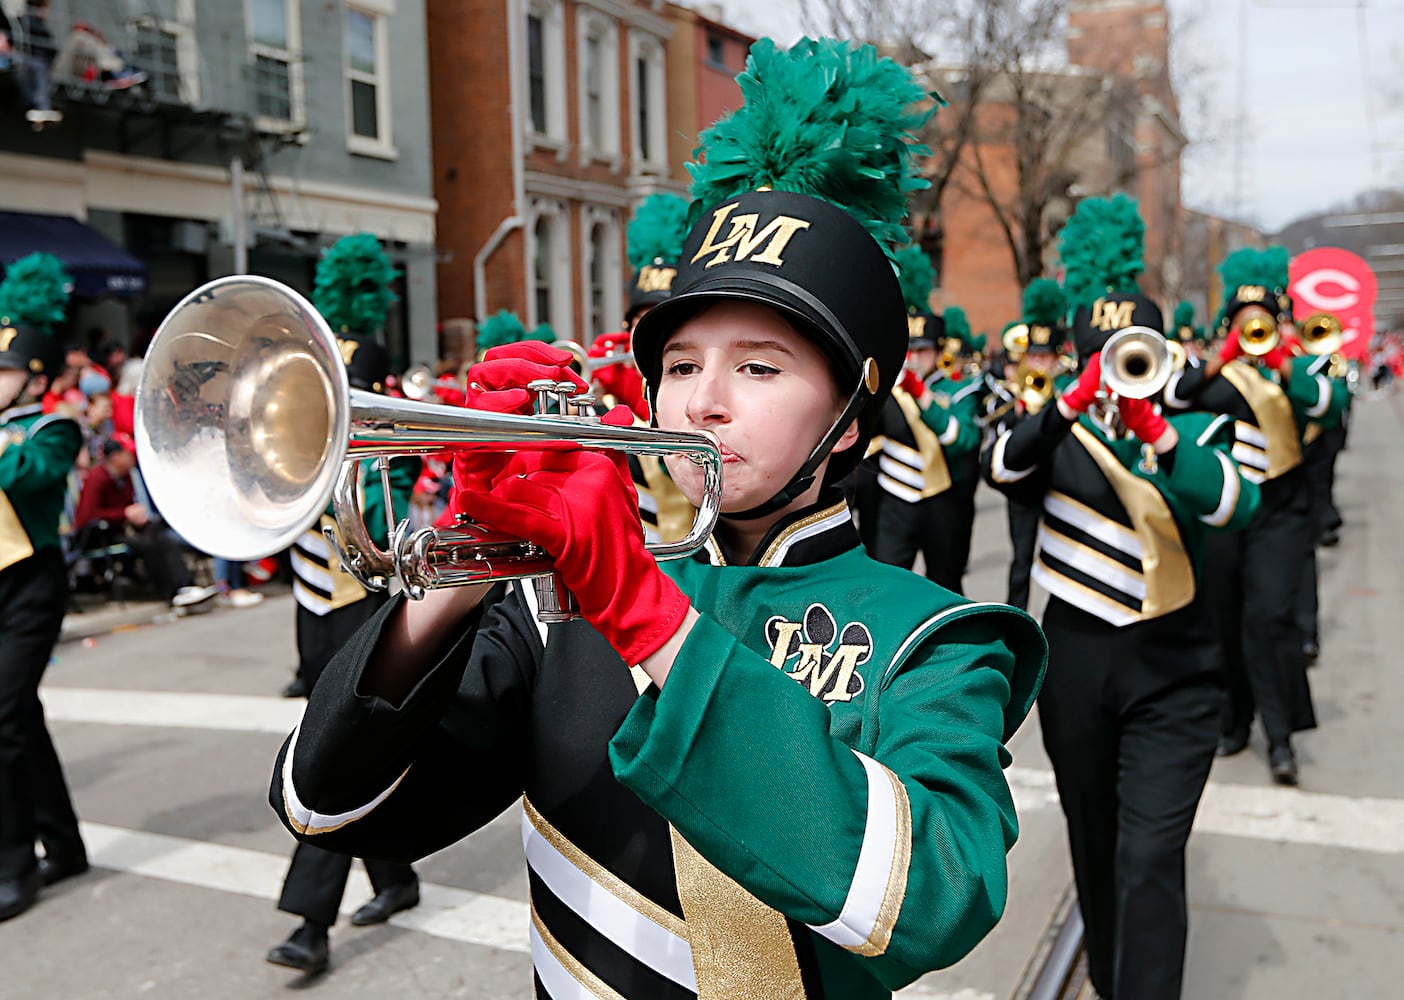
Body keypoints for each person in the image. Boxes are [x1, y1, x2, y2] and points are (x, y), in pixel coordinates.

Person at [268, 37, 1046, 997]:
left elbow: (937, 897)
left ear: (848, 421)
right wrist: (465, 563)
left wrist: (644, 611)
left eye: (759, 367)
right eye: (680, 366)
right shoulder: (555, 610)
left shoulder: (935, 640)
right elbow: (330, 809)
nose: (701, 402)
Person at [984, 195, 1262, 999]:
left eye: (1130, 352)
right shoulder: (1047, 428)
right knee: (1094, 843)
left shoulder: (1199, 428)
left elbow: (1233, 503)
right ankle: (1109, 977)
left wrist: (1157, 430)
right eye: (1101, 356)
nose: (1117, 370)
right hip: (1075, 662)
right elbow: (999, 466)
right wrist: (1070, 403)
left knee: (1148, 856)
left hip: (1178, 667)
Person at [269, 233, 422, 975]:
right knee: (350, 747)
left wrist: (385, 448)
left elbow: (406, 469)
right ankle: (397, 876)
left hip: (367, 586)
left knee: (334, 750)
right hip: (316, 588)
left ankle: (310, 921)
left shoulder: (385, 467)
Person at [1162, 246, 1349, 784]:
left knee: (1268, 620)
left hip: (1282, 513)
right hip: (1225, 514)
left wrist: (1285, 357)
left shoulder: (1298, 371)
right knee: (1224, 617)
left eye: (1262, 323)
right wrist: (1221, 357)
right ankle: (1235, 719)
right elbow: (1172, 396)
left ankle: (1282, 735)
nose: (1253, 332)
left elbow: (1327, 405)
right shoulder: (1214, 374)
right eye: (1244, 324)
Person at [0, 288, 87, 920]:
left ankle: (13, 866)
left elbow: (28, 473)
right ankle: (65, 843)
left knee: (1, 720)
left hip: (32, 582)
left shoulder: (53, 427)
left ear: (33, 378)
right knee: (19, 717)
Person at [855, 245, 979, 591]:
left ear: (940, 352)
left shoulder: (961, 390)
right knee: (887, 585)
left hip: (942, 500)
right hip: (894, 498)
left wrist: (919, 392)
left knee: (948, 586)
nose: (915, 358)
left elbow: (961, 439)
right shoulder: (885, 388)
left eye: (923, 350)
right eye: (910, 349)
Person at [72, 435, 216, 610]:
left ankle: (185, 585)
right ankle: (169, 592)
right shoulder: (97, 478)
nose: (134, 457)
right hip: (99, 534)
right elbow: (87, 516)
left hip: (121, 529)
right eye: (129, 454)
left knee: (160, 534)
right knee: (147, 544)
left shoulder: (125, 477)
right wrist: (124, 513)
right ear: (116, 457)